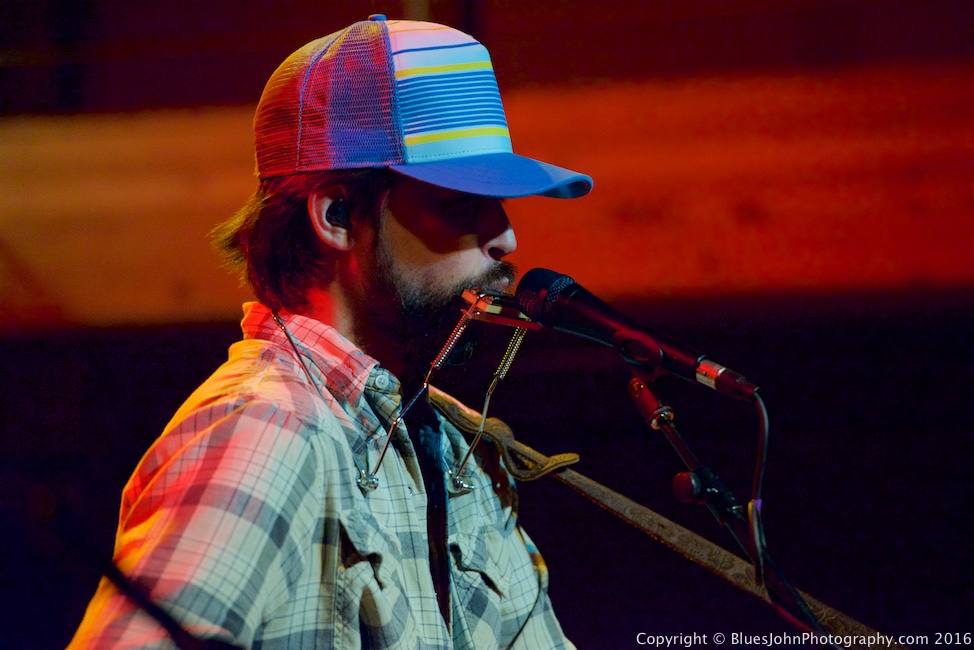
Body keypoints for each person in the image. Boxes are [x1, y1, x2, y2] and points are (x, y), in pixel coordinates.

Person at [68, 14, 592, 650]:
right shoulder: (264, 431)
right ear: (337, 216)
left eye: (501, 205)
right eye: (462, 205)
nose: (506, 236)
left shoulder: (450, 447)